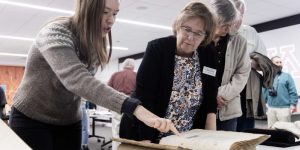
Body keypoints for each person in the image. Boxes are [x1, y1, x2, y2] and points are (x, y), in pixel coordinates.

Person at [9, 0, 178, 150]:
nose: (111, 19)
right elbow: (77, 79)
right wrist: (135, 108)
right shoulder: (55, 33)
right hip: (31, 117)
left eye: (115, 13)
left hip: (69, 121)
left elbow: (87, 83)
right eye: (105, 12)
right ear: (87, 7)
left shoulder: (96, 41)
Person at [120, 1, 218, 143]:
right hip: (146, 132)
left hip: (184, 137)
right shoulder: (157, 49)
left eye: (198, 33)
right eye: (187, 29)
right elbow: (145, 98)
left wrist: (212, 140)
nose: (191, 37)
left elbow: (210, 96)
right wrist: (146, 142)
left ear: (205, 36)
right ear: (178, 26)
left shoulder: (207, 53)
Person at [206, 0, 251, 131]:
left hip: (228, 109)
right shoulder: (201, 38)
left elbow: (242, 73)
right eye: (225, 24)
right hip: (200, 108)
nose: (228, 28)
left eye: (230, 24)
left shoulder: (240, 41)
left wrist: (220, 94)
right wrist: (210, 96)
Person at [231, 0, 268, 132]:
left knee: (246, 131)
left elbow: (264, 62)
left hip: (247, 90)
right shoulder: (218, 31)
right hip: (226, 87)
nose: (238, 19)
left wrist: (247, 62)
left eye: (241, 14)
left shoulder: (251, 32)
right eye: (235, 14)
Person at [108, 58, 137, 150]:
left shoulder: (115, 74)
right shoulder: (136, 75)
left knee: (116, 129)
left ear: (123, 65)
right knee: (130, 130)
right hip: (131, 103)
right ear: (133, 66)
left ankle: (116, 148)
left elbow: (108, 89)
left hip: (116, 102)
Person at [263, 56, 298, 128]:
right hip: (271, 108)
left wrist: (293, 104)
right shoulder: (267, 77)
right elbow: (264, 91)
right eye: (277, 62)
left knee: (285, 131)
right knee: (271, 129)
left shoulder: (287, 76)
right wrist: (264, 104)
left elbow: (293, 91)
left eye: (280, 62)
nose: (279, 64)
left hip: (284, 109)